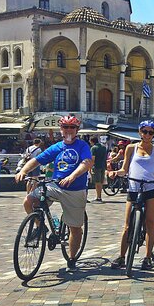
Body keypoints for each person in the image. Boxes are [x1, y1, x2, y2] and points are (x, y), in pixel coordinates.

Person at [15, 115, 92, 270]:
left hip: (75, 190)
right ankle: (40, 226)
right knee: (29, 201)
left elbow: (86, 163)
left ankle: (71, 258)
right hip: (55, 186)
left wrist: (73, 176)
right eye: (66, 127)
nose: (69, 130)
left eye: (72, 127)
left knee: (75, 228)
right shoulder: (57, 147)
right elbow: (37, 160)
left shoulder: (82, 146)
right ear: (61, 129)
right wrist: (23, 170)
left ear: (77, 130)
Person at [109, 121, 154, 271]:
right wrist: (116, 173)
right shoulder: (131, 148)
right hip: (134, 187)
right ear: (139, 132)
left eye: (150, 132)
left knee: (150, 222)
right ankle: (121, 256)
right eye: (144, 131)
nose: (147, 135)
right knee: (127, 224)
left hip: (151, 188)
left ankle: (147, 257)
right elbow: (124, 169)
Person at [89, 136, 108, 202]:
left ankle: (98, 197)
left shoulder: (93, 148)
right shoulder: (103, 147)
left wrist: (90, 168)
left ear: (92, 141)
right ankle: (99, 196)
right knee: (101, 182)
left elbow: (93, 159)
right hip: (102, 166)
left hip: (96, 166)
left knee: (97, 183)